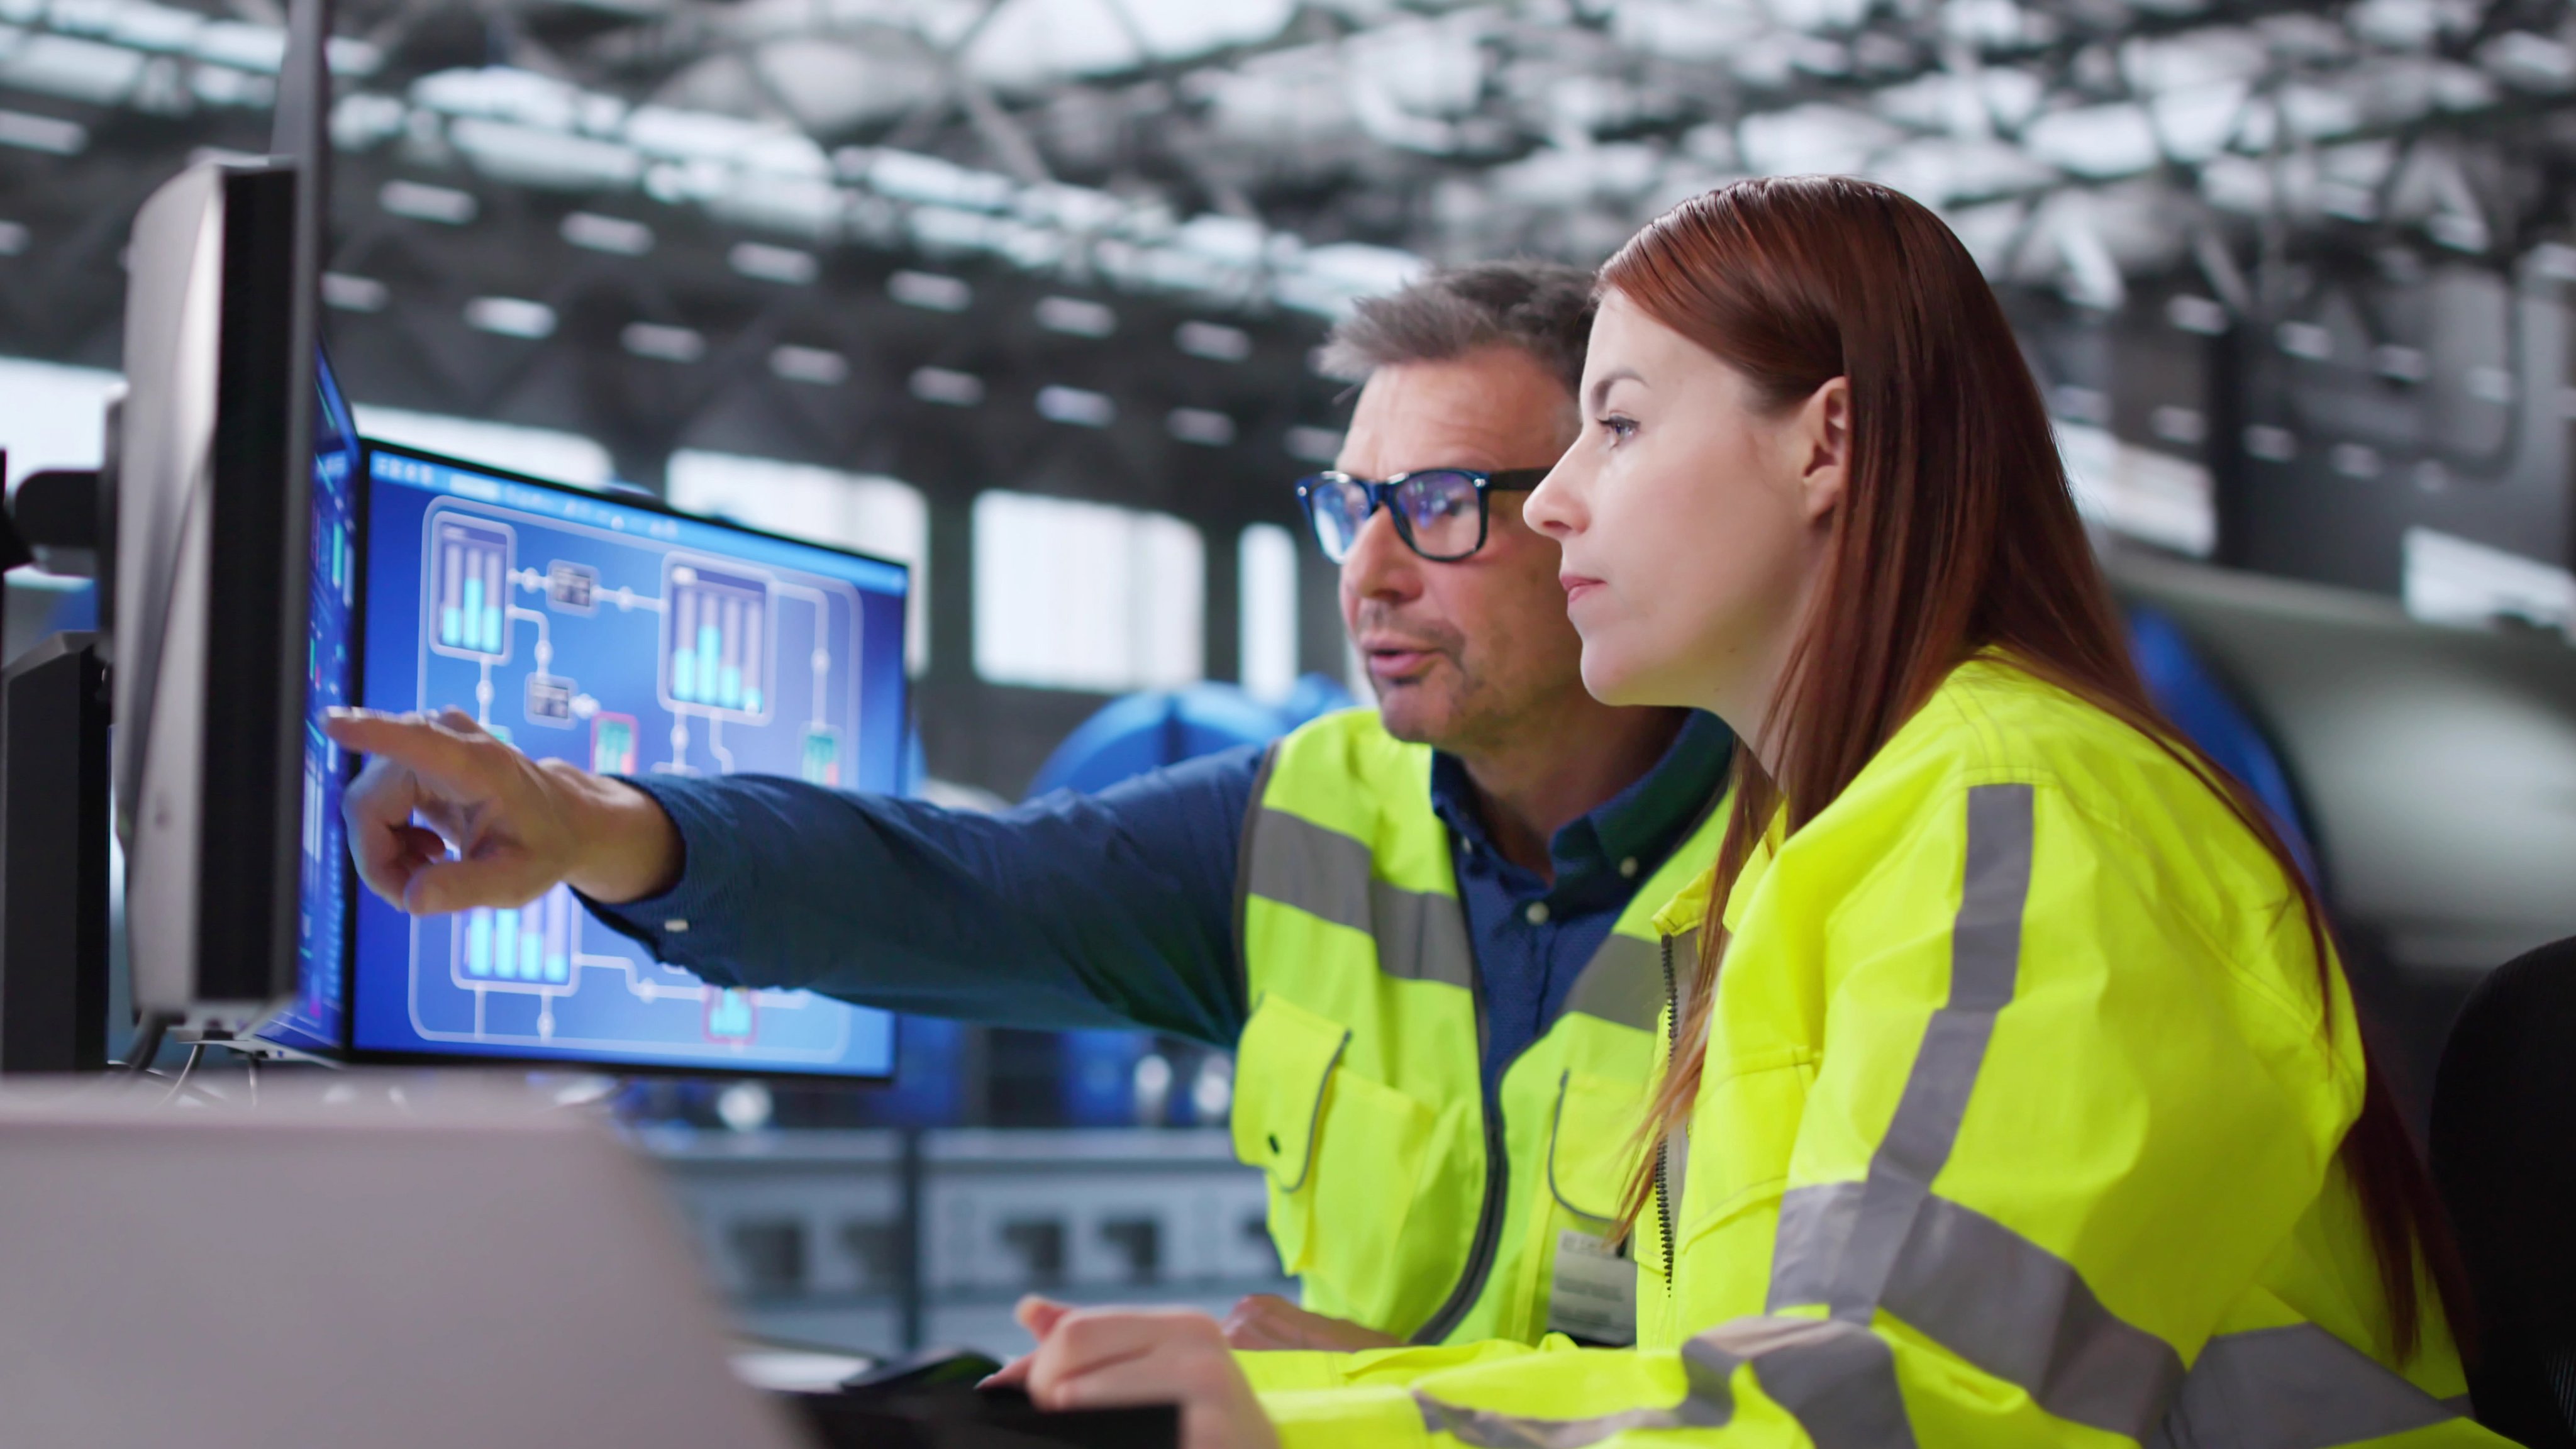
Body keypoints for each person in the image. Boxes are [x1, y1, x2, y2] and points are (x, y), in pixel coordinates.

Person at [982, 177, 2504, 1448]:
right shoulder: (1805, 854)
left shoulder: (2024, 819)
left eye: (1617, 426)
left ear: (1824, 445)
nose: (1557, 500)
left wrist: (1305, 1434)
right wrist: (1307, 1391)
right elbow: (1738, 1381)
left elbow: (1892, 1410)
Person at [323, 261, 1736, 1355]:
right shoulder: (1304, 821)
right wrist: (589, 824)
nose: (1367, 571)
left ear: (1596, 515)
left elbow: (1824, 1390)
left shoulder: (1801, 862)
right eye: (1349, 504)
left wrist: (1382, 1403)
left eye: (1437, 504)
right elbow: (950, 885)